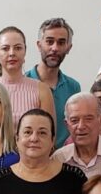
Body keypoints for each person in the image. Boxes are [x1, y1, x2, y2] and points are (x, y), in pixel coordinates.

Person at [25, 18, 80, 146]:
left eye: (61, 42)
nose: (54, 48)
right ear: (39, 45)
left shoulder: (73, 88)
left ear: (68, 48)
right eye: (49, 42)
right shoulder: (23, 84)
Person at [0, 26, 55, 126]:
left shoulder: (42, 90)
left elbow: (49, 132)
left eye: (18, 48)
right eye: (5, 48)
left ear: (25, 51)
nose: (12, 53)